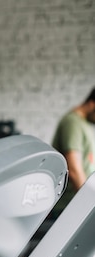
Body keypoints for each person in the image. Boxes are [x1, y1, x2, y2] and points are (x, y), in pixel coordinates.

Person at [50, 87, 95, 218]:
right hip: (68, 206)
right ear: (92, 104)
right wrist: (89, 203)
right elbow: (74, 170)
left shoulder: (82, 123)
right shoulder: (72, 122)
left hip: (78, 203)